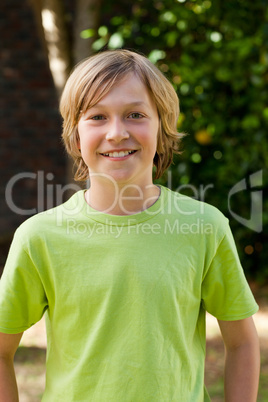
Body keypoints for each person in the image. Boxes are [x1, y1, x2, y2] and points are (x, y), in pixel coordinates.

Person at [0, 49, 260, 401]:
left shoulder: (204, 226)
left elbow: (242, 342)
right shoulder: (39, 237)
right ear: (75, 135)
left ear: (162, 127)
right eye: (97, 117)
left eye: (135, 114)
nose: (117, 133)